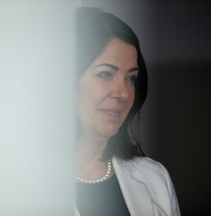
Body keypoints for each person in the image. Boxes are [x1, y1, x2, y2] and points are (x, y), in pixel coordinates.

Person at [74, 7, 180, 216]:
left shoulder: (154, 178)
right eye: (105, 74)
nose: (123, 93)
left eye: (130, 78)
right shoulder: (15, 185)